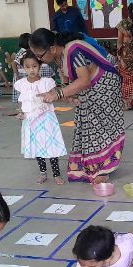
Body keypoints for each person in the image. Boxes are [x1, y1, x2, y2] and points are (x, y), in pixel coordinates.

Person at [30, 29, 124, 184]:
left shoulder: (73, 51)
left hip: (105, 84)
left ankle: (104, 169)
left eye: (39, 56)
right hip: (91, 87)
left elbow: (84, 80)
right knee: (85, 124)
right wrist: (62, 92)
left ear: (52, 48)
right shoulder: (60, 55)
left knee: (99, 127)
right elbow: (69, 83)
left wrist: (58, 94)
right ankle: (92, 165)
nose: (39, 60)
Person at [14, 51, 67, 185]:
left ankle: (56, 174)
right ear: (23, 68)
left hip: (46, 120)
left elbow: (55, 96)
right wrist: (20, 112)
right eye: (28, 67)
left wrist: (48, 97)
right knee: (37, 147)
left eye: (34, 66)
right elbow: (22, 102)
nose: (31, 70)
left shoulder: (47, 82)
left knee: (51, 146)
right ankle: (43, 173)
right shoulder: (22, 84)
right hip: (30, 121)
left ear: (40, 66)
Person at [12, 32, 54, 104]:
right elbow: (14, 63)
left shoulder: (32, 52)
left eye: (34, 66)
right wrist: (17, 75)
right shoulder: (22, 52)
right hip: (22, 76)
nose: (31, 69)